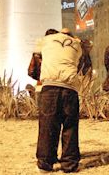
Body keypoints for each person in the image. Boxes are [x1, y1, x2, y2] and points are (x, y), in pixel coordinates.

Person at [35, 28, 82, 173]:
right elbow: (80, 62)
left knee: (48, 126)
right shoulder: (76, 46)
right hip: (70, 89)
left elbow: (36, 56)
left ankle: (45, 162)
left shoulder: (45, 41)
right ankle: (69, 163)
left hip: (50, 87)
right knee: (70, 126)